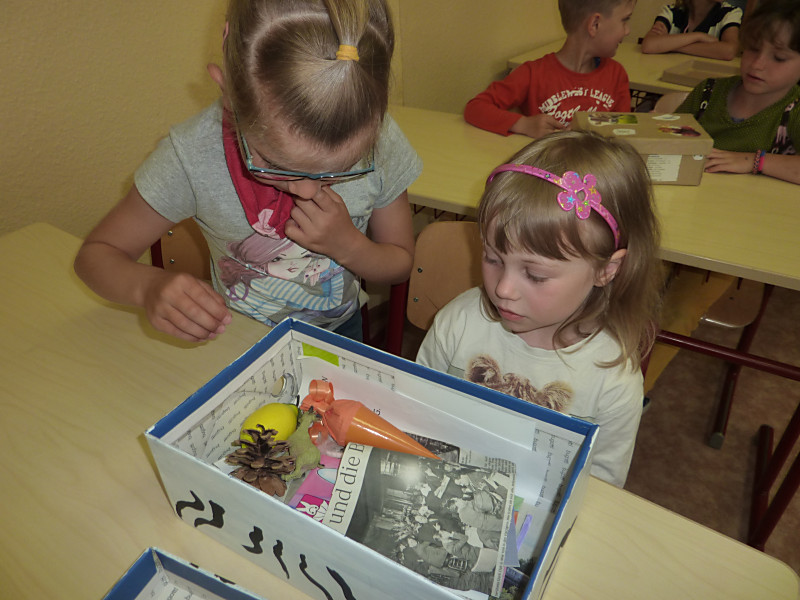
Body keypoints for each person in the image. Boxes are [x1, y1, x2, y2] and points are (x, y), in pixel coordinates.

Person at [74, 0, 421, 343]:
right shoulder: (192, 156)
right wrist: (148, 287)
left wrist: (349, 247)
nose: (306, 191)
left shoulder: (380, 140)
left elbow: (401, 263)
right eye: (275, 165)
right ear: (227, 89)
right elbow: (96, 256)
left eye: (340, 170)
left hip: (340, 331)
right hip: (236, 341)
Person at [417, 131, 663, 487]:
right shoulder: (460, 321)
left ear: (606, 270)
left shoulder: (612, 381)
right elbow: (414, 411)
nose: (503, 289)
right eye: (492, 258)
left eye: (535, 275)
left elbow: (600, 489)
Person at [643, 0, 800, 393]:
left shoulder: (794, 111)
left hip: (733, 245)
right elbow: (667, 143)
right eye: (752, 49)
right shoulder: (709, 91)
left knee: (679, 313)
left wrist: (755, 161)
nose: (757, 64)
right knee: (631, 293)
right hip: (674, 226)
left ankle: (632, 396)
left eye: (779, 57)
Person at [463, 0, 634, 139]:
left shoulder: (616, 75)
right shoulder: (532, 74)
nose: (628, 31)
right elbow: (475, 108)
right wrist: (524, 124)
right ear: (595, 24)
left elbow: (626, 130)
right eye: (625, 20)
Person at [641, 0, 742, 61]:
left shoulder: (729, 13)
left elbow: (729, 51)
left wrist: (668, 46)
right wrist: (698, 36)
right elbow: (648, 45)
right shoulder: (672, 11)